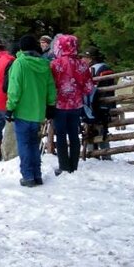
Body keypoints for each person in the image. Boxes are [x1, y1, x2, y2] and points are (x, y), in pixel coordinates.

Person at [6, 35, 57, 187]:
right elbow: (50, 87)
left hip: (22, 111)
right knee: (34, 144)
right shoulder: (44, 64)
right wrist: (50, 106)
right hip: (38, 112)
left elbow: (14, 88)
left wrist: (9, 108)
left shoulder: (20, 63)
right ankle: (37, 174)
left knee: (24, 144)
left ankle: (28, 175)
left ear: (21, 47)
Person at [50, 34, 93, 175]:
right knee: (74, 135)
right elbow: (88, 88)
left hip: (60, 105)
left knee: (61, 135)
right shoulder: (82, 64)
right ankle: (74, 165)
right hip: (76, 105)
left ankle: (63, 165)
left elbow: (50, 85)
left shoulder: (55, 64)